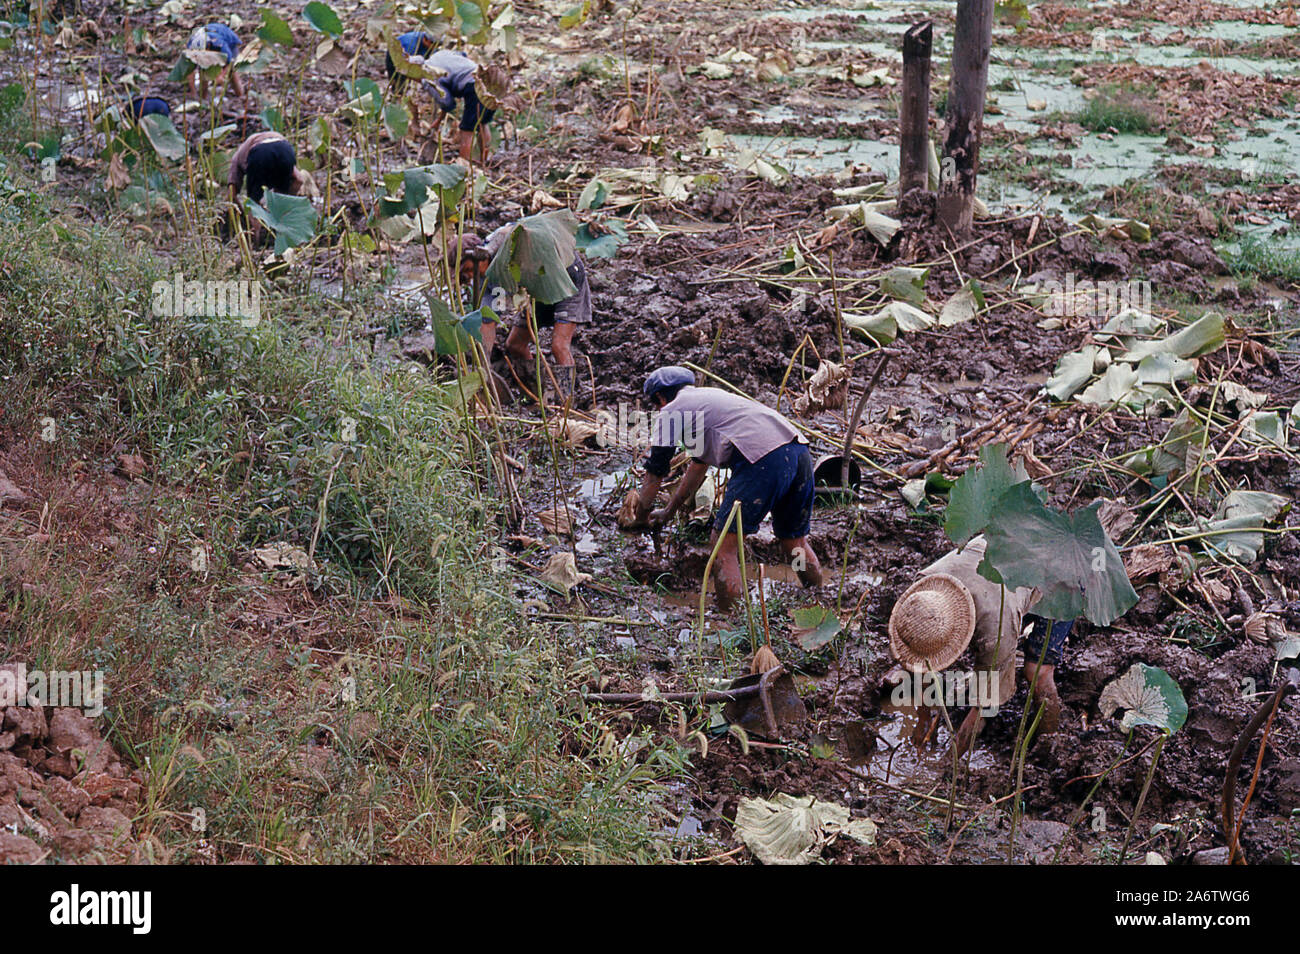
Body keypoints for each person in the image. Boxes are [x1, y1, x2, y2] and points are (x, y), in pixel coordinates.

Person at [633, 367, 823, 610]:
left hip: (763, 460)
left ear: (660, 398)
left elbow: (655, 472)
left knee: (723, 547)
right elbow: (698, 467)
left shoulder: (672, 410)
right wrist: (669, 510)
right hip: (798, 451)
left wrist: (641, 514)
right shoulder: (708, 399)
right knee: (794, 543)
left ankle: (730, 619)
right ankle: (817, 596)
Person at [887, 534, 1072, 756]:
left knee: (1037, 671)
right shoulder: (923, 595)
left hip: (1062, 575)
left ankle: (1050, 746)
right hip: (1014, 556)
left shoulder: (996, 625)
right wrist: (924, 719)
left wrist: (950, 762)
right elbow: (921, 663)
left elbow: (985, 706)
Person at [459, 228, 590, 400]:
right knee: (515, 345)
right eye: (465, 274)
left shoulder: (503, 244)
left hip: (565, 276)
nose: (471, 275)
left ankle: (566, 403)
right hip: (537, 290)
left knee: (559, 346)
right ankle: (536, 394)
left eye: (470, 269)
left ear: (482, 256)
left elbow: (517, 228)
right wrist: (484, 364)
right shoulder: (488, 280)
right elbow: (488, 320)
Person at [227, 131, 309, 240]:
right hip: (284, 149)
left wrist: (241, 212)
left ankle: (255, 242)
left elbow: (231, 193)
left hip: (260, 154)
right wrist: (288, 197)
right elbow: (298, 179)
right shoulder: (272, 141)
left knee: (253, 205)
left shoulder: (238, 157)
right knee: (282, 195)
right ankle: (283, 227)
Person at [423, 48, 494, 162]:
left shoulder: (428, 74)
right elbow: (463, 55)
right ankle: (485, 161)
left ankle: (463, 167)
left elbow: (448, 102)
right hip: (487, 78)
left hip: (474, 85)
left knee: (467, 130)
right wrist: (439, 121)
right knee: (483, 123)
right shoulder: (440, 54)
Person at [186, 23, 245, 99]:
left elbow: (229, 63)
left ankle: (240, 95)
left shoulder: (219, 44)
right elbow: (190, 70)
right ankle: (203, 97)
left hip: (230, 42)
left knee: (231, 72)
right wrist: (192, 91)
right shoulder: (192, 45)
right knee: (203, 70)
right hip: (209, 36)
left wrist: (221, 76)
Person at [384, 30, 437, 95]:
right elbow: (405, 66)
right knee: (398, 82)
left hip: (416, 56)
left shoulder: (430, 45)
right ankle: (396, 96)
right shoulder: (411, 44)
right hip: (396, 57)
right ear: (426, 40)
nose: (435, 47)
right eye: (434, 45)